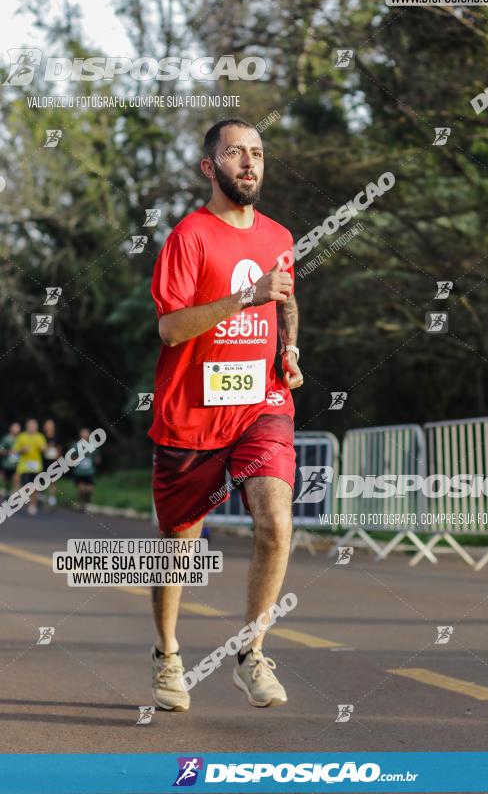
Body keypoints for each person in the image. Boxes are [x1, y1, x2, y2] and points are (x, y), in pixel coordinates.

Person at [149, 118, 303, 712]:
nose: (250, 163)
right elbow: (170, 329)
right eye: (235, 153)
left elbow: (286, 302)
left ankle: (251, 650)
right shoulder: (188, 238)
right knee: (178, 544)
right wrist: (247, 296)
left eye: (258, 154)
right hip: (192, 411)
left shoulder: (280, 235)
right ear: (209, 167)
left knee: (275, 519)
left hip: (261, 404)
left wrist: (289, 351)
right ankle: (166, 654)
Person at [12, 419, 47, 515]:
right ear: (27, 427)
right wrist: (22, 450)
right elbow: (14, 450)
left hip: (36, 466)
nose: (32, 428)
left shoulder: (40, 436)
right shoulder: (22, 436)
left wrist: (43, 448)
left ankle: (33, 505)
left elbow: (45, 450)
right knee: (25, 485)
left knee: (34, 487)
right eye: (30, 426)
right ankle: (22, 498)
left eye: (34, 426)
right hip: (24, 466)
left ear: (36, 427)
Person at [72, 428, 100, 510]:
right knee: (80, 489)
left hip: (89, 472)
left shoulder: (93, 446)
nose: (84, 436)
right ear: (80, 436)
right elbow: (71, 457)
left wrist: (96, 460)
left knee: (90, 489)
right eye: (83, 435)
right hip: (79, 472)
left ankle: (85, 500)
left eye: (86, 435)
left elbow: (97, 458)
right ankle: (81, 504)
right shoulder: (76, 445)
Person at [42, 419, 61, 508]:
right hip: (44, 460)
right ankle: (43, 497)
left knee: (53, 480)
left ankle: (52, 499)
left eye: (51, 425)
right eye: (47, 425)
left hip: (53, 461)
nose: (49, 427)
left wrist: (58, 458)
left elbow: (58, 448)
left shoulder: (56, 437)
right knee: (43, 479)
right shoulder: (42, 437)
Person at [0, 422, 21, 495]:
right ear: (10, 428)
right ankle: (5, 494)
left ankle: (17, 497)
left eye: (18, 427)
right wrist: (9, 452)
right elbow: (1, 450)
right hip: (7, 464)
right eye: (15, 427)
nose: (16, 429)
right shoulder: (6, 438)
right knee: (6, 483)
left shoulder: (21, 438)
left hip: (17, 464)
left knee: (16, 480)